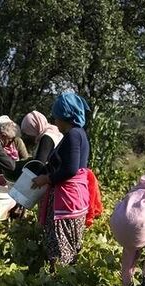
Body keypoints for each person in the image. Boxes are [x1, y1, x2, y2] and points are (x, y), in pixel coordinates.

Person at [31, 92, 92, 267]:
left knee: (60, 250)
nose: (55, 121)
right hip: (75, 199)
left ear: (65, 117)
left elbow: (71, 169)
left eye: (56, 117)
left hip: (66, 202)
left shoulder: (73, 135)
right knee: (70, 248)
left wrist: (47, 179)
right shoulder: (79, 134)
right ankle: (67, 284)